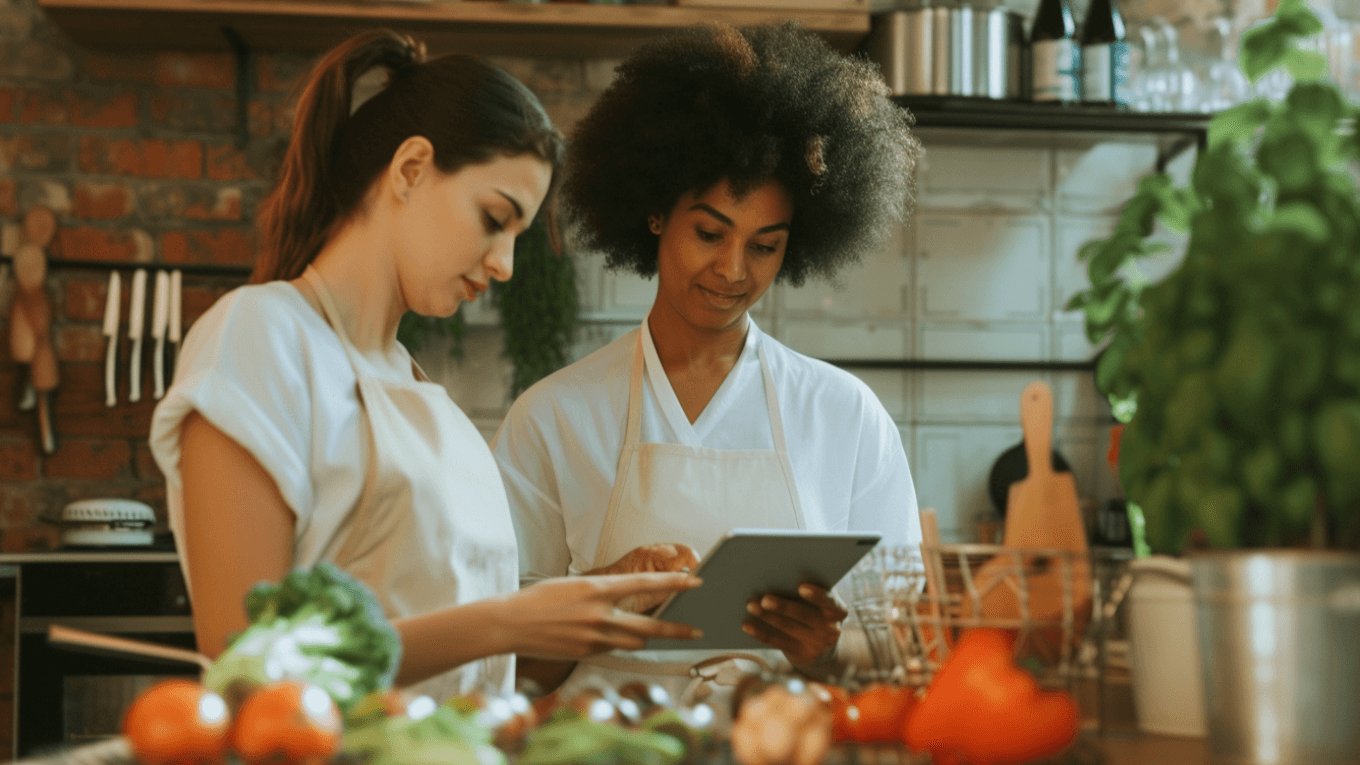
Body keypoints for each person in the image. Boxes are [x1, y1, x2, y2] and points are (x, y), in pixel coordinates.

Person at [149, 29, 702, 704]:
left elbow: (452, 644)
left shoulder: (424, 395)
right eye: (494, 218)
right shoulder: (261, 336)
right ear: (410, 169)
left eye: (517, 238)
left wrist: (587, 604)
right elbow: (246, 657)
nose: (504, 265)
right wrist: (507, 621)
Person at [491, 21, 924, 708]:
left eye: (765, 245)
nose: (732, 269)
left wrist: (824, 652)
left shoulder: (846, 414)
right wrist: (599, 602)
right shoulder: (552, 417)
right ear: (657, 212)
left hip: (781, 744)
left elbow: (900, 655)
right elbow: (506, 673)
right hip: (607, 746)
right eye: (710, 232)